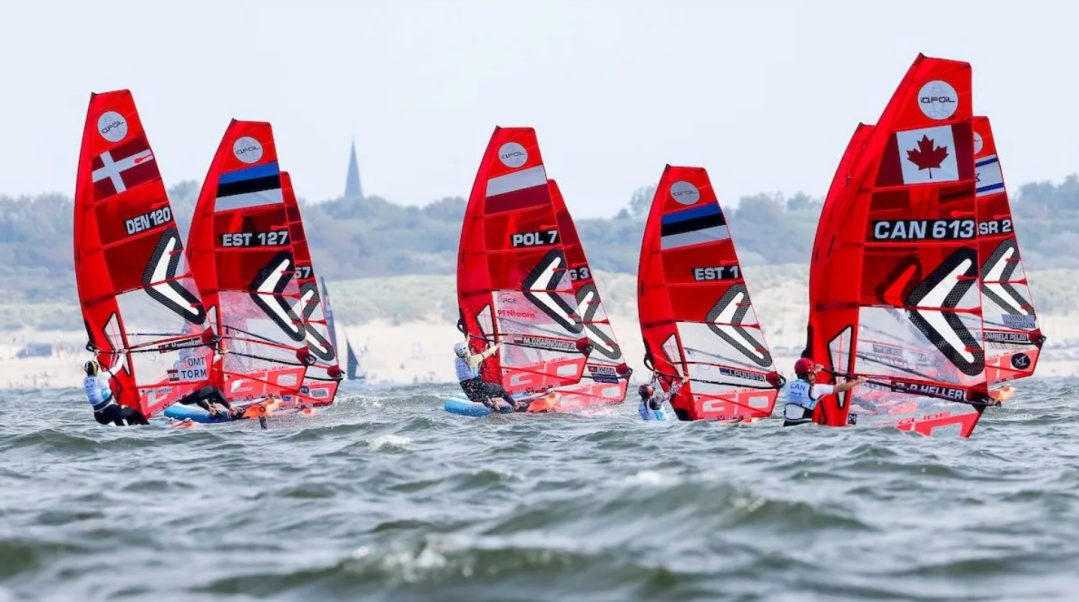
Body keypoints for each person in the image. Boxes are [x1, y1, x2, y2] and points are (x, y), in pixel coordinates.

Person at [783, 357, 865, 427]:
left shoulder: (789, 385)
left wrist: (814, 371)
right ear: (809, 374)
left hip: (786, 425)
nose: (815, 376)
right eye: (812, 374)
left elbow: (804, 382)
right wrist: (858, 381)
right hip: (804, 428)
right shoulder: (816, 389)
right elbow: (840, 388)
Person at [454, 340, 524, 412]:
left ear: (456, 354)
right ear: (467, 350)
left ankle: (496, 409)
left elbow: (461, 351)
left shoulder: (456, 362)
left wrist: (467, 341)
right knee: (500, 390)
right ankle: (516, 405)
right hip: (479, 387)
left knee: (484, 397)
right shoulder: (473, 359)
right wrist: (499, 344)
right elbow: (488, 352)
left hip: (469, 393)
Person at [82, 358, 149, 426]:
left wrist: (95, 356)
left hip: (99, 417)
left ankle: (127, 429)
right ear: (96, 369)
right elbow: (117, 367)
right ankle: (146, 429)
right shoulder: (101, 377)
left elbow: (90, 368)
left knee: (119, 419)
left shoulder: (85, 381)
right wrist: (122, 354)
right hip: (110, 411)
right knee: (134, 413)